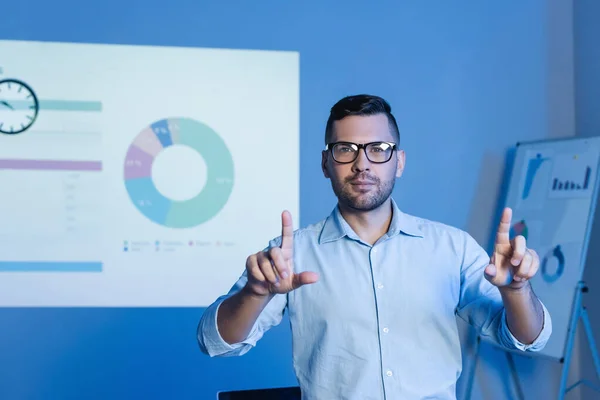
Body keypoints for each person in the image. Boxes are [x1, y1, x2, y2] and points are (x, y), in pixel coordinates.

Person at [197, 94, 552, 400]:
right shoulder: (291, 255)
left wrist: (517, 290)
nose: (362, 163)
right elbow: (215, 342)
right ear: (325, 163)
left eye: (378, 149)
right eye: (345, 149)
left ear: (399, 162)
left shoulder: (451, 247)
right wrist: (255, 294)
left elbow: (528, 340)